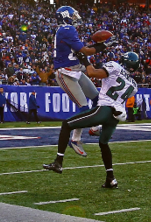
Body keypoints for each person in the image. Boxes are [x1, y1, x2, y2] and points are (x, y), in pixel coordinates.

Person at [43, 51, 139, 189]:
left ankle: (58, 161)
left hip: (104, 110)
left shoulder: (114, 66)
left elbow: (92, 73)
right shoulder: (134, 85)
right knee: (103, 143)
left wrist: (85, 60)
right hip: (115, 116)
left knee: (67, 124)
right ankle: (111, 179)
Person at [53, 5, 115, 157]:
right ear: (66, 16)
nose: (76, 18)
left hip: (76, 70)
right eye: (73, 15)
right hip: (66, 72)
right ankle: (75, 139)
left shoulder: (67, 30)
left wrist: (100, 46)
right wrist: (104, 45)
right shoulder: (66, 30)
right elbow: (86, 51)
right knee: (84, 107)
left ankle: (94, 127)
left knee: (97, 98)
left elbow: (81, 49)